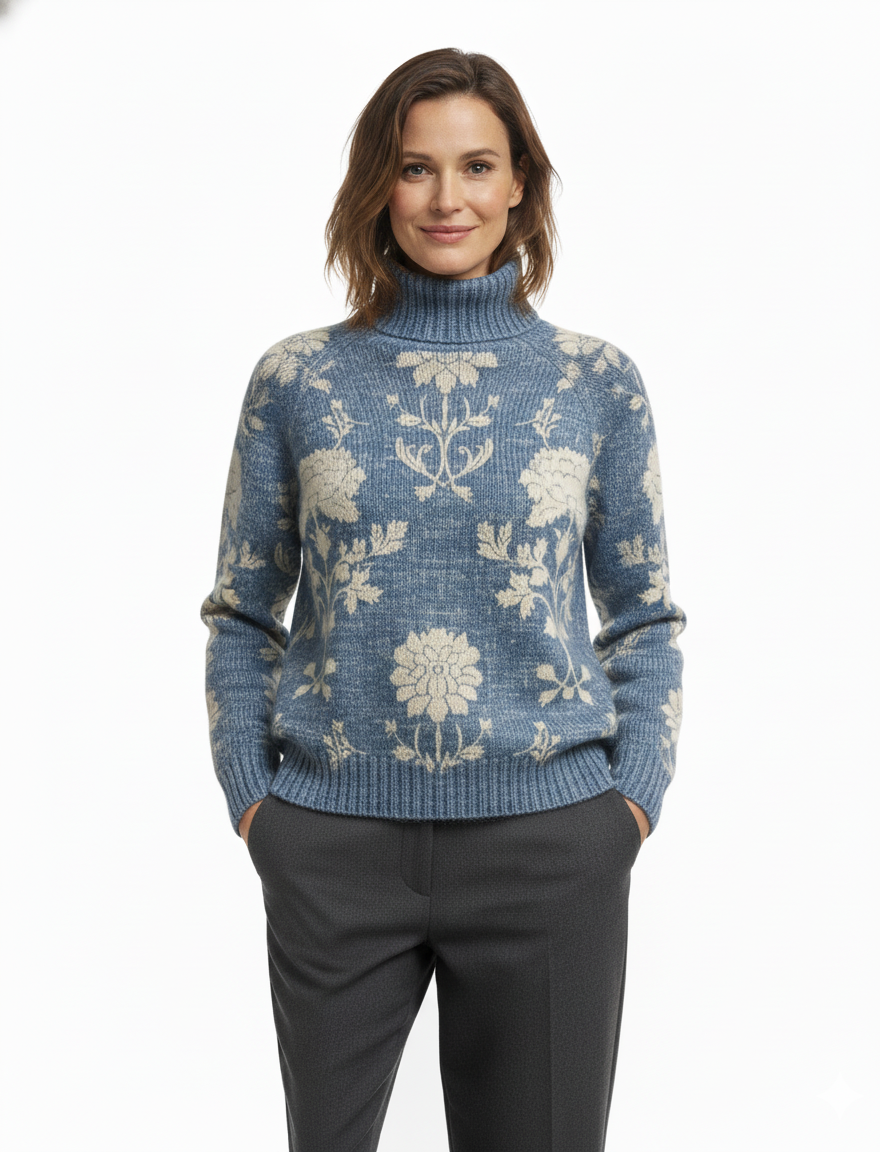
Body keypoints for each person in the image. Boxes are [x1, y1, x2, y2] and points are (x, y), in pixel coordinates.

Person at [200, 46, 685, 1152]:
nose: (445, 198)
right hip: (332, 843)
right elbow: (241, 611)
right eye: (415, 168)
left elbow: (645, 614)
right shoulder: (296, 379)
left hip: (550, 843)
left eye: (476, 166)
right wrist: (254, 799)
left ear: (520, 184)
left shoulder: (594, 381)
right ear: (378, 185)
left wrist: (630, 803)